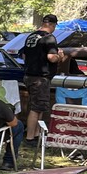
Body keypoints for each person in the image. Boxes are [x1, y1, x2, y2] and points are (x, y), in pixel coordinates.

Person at [19, 13, 65, 146]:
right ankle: (30, 138)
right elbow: (51, 57)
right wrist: (60, 56)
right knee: (36, 108)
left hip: (29, 75)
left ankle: (36, 135)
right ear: (52, 25)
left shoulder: (31, 36)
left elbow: (23, 55)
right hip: (40, 77)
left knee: (38, 106)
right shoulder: (49, 38)